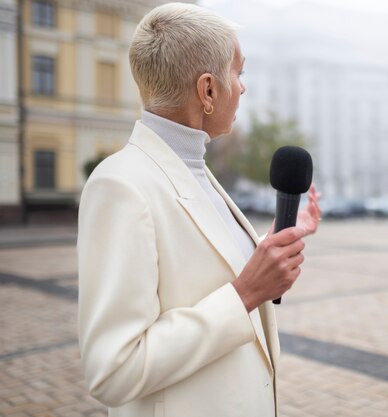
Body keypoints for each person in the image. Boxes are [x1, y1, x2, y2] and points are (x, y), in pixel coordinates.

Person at [77, 3, 321, 417]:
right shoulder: (120, 185)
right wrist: (245, 295)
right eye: (238, 73)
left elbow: (205, 268)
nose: (243, 88)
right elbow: (112, 369)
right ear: (207, 90)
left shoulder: (194, 168)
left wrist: (274, 242)